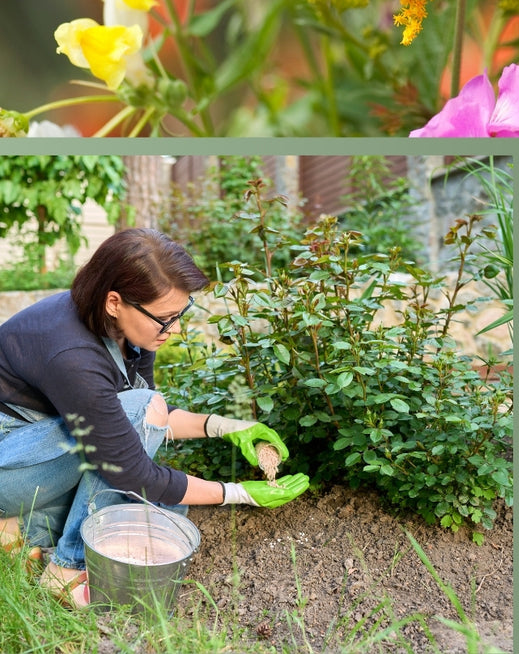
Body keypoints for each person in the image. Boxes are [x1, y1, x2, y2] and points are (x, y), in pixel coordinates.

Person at [0, 228, 310, 607]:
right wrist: (236, 494)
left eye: (180, 313)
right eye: (166, 318)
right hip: (10, 459)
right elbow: (130, 461)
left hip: (40, 454)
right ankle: (65, 568)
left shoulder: (127, 329)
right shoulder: (71, 355)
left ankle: (19, 528)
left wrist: (228, 427)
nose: (175, 328)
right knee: (140, 493)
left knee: (162, 509)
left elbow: (140, 418)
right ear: (115, 301)